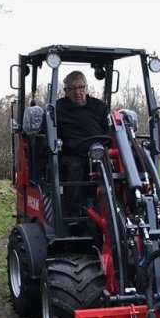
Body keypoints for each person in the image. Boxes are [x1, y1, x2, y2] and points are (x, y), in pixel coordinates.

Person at [56, 71, 109, 216]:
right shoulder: (57, 109)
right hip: (71, 154)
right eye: (72, 89)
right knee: (77, 167)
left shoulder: (100, 107)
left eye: (81, 87)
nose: (78, 92)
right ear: (66, 91)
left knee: (118, 166)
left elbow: (109, 132)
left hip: (99, 152)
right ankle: (74, 214)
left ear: (86, 87)